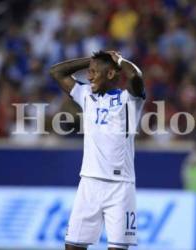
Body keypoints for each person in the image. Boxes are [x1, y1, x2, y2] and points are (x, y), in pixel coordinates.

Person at [49, 50, 145, 250]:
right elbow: (56, 72)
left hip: (120, 187)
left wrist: (118, 60)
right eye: (88, 72)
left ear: (110, 74)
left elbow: (135, 76)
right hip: (89, 183)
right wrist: (91, 62)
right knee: (72, 247)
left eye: (94, 72)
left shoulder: (130, 100)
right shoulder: (86, 95)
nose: (89, 76)